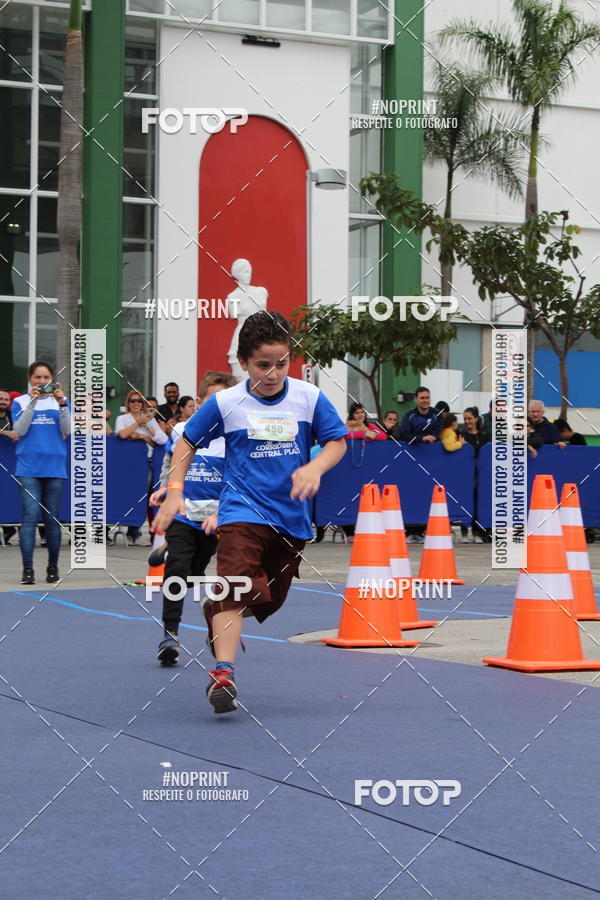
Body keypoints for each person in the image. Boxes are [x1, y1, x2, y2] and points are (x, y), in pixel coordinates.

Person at [153, 310, 347, 715]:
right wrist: (175, 492)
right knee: (235, 588)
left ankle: (215, 608)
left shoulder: (308, 398)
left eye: (282, 362)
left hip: (291, 521)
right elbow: (185, 444)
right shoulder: (227, 402)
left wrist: (315, 466)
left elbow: (337, 442)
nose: (274, 372)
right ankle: (223, 672)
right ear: (243, 363)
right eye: (263, 365)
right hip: (241, 512)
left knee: (268, 597)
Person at [150, 372, 237, 665]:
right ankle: (170, 635)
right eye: (210, 401)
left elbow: (240, 482)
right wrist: (165, 488)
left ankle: (210, 604)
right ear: (199, 402)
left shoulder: (234, 439)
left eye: (223, 402)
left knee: (192, 574)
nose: (216, 408)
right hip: (184, 515)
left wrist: (219, 511)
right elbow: (168, 463)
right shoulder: (183, 431)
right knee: (177, 568)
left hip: (215, 520)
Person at [12, 361, 71, 584]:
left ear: (52, 380)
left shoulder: (61, 403)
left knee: (52, 520)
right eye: (37, 377)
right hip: (28, 467)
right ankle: (28, 570)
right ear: (30, 379)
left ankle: (52, 567)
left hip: (55, 468)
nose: (42, 381)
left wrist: (63, 404)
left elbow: (67, 430)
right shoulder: (20, 401)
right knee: (29, 518)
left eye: (46, 377)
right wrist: (32, 403)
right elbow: (20, 430)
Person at [116, 390, 167, 543]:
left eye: (139, 401)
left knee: (147, 496)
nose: (136, 404)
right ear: (128, 404)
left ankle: (141, 532)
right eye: (133, 401)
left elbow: (163, 439)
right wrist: (139, 428)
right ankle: (132, 530)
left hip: (149, 462)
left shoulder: (150, 420)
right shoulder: (122, 418)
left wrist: (148, 431)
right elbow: (122, 434)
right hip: (129, 464)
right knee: (134, 496)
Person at [459, 408, 490, 543]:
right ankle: (465, 532)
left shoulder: (485, 436)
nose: (467, 421)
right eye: (465, 419)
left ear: (476, 419)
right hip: (465, 475)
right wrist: (460, 446)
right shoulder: (461, 435)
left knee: (479, 502)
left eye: (469, 418)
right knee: (465, 501)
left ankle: (478, 532)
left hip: (482, 476)